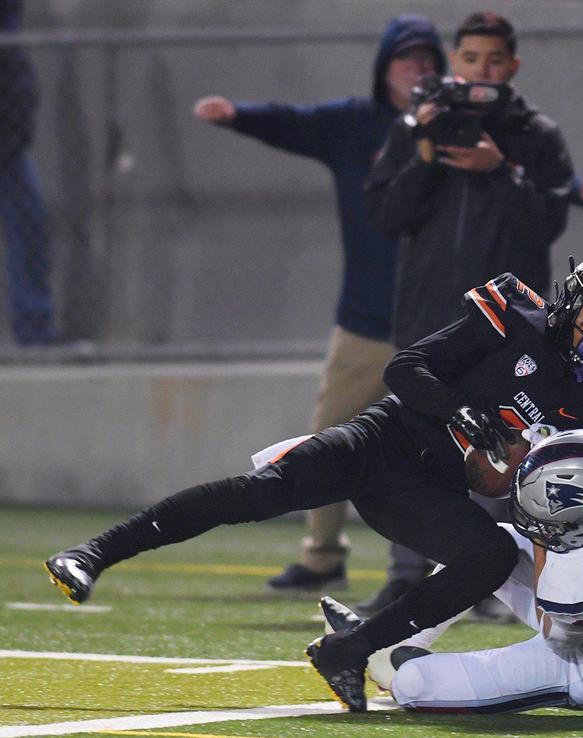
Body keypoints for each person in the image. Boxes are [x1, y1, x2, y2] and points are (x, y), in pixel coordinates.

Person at [44, 251, 583, 711]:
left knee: (489, 556)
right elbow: (405, 368)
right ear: (572, 301)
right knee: (259, 494)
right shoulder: (514, 319)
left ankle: (349, 651)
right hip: (383, 441)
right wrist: (456, 410)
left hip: (428, 491)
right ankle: (93, 553)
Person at [359, 11, 583, 617]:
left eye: (494, 61)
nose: (481, 71)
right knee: (414, 441)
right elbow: (386, 218)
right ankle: (405, 573)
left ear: (513, 66)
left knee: (502, 443)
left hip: (503, 326)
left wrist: (499, 170)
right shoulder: (418, 127)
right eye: (470, 59)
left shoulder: (537, 136)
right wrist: (423, 154)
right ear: (455, 61)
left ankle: (495, 579)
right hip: (428, 312)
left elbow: (547, 223)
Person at [192, 15, 446, 593]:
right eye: (408, 60)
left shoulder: (455, 129)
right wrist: (237, 117)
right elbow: (294, 122)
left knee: (439, 451)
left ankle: (446, 564)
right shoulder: (356, 124)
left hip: (433, 324)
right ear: (385, 68)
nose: (420, 70)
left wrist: (578, 188)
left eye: (430, 60)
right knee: (327, 437)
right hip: (365, 322)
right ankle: (322, 553)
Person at [318, 425, 583, 713]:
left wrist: (545, 540)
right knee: (483, 550)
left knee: (415, 684)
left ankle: (388, 669)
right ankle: (396, 642)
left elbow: (559, 638)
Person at [0, 0, 57, 345]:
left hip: (1, 134)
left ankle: (35, 329)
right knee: (28, 222)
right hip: (0, 130)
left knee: (29, 223)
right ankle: (34, 327)